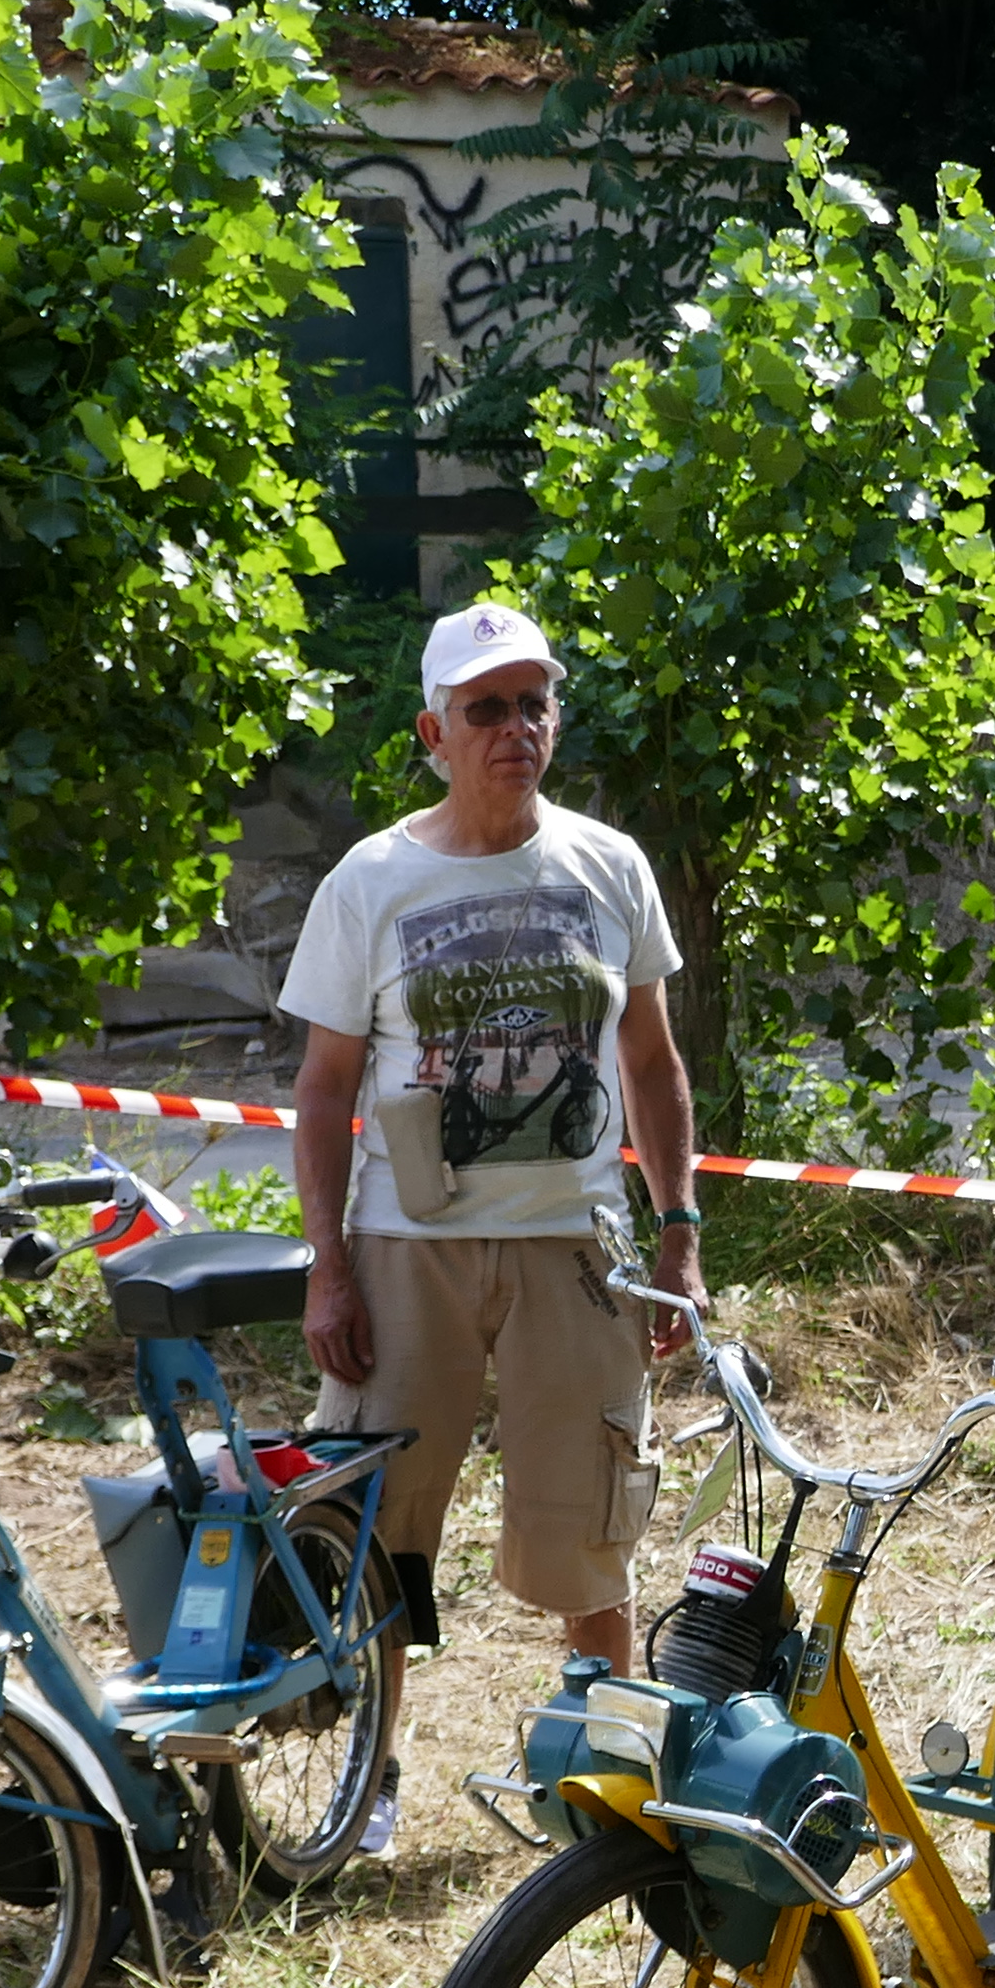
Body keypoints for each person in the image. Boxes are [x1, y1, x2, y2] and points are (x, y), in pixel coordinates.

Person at [284, 601, 698, 1841]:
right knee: (378, 1523)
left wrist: (678, 1230)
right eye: (486, 709)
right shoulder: (373, 880)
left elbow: (652, 1062)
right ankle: (370, 1779)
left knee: (591, 1516)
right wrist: (328, 1269)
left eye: (534, 704)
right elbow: (323, 1089)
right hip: (405, 1255)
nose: (517, 728)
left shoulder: (608, 865)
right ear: (435, 733)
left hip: (575, 1250)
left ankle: (613, 1777)